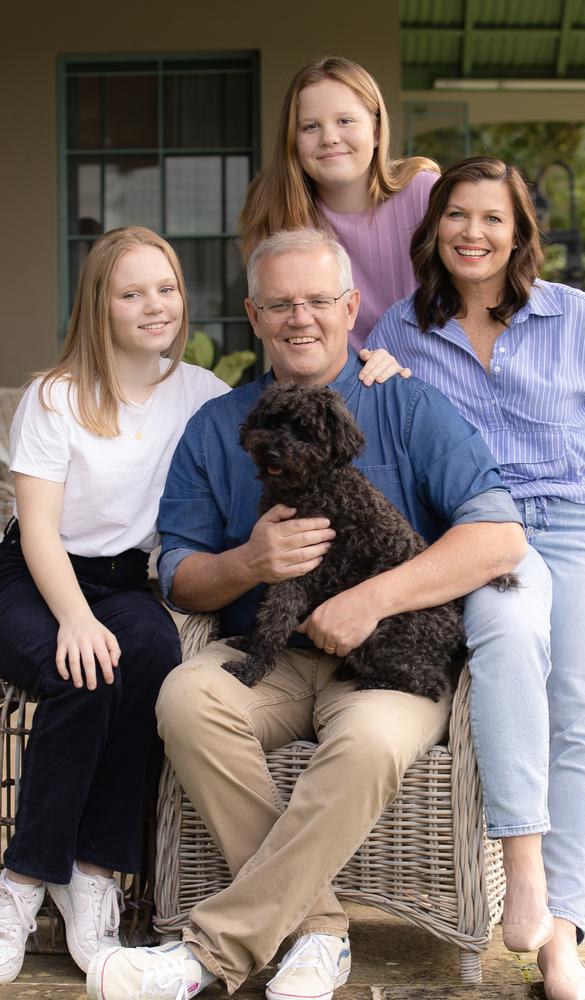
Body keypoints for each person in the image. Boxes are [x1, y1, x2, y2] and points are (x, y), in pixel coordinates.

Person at [87, 228, 528, 1000]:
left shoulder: (408, 404)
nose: (302, 319)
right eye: (281, 304)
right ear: (253, 316)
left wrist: (373, 598)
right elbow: (181, 577)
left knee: (367, 745)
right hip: (273, 652)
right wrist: (248, 564)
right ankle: (318, 933)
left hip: (388, 661)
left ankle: (207, 954)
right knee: (185, 699)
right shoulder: (217, 427)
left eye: (320, 301)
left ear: (350, 307)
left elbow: (499, 537)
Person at [366, 155, 585, 1000]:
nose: (473, 233)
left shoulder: (580, 317)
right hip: (487, 537)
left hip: (582, 524)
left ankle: (562, 937)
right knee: (512, 640)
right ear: (434, 228)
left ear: (520, 233)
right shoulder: (400, 329)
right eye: (457, 215)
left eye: (493, 218)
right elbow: (362, 425)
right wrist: (373, 382)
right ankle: (521, 864)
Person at [0, 227, 230, 983]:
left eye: (164, 288)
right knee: (83, 670)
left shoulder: (201, 393)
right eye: (131, 292)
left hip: (128, 581)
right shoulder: (56, 395)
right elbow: (36, 528)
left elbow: (294, 402)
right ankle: (23, 883)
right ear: (100, 305)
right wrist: (73, 616)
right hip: (35, 578)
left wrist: (377, 362)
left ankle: (94, 876)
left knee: (156, 664)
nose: (153, 305)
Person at [239, 55, 440, 351]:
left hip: (425, 375)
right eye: (310, 127)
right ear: (292, 140)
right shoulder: (275, 206)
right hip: (328, 383)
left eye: (345, 121)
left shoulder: (424, 193)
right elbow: (278, 322)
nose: (329, 138)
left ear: (376, 129)